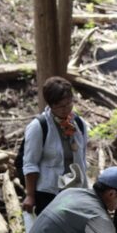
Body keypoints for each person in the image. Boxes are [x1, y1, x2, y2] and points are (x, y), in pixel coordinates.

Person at [22, 76, 90, 215]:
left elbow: (82, 158)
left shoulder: (79, 124)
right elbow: (30, 163)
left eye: (69, 104)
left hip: (74, 190)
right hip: (49, 192)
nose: (66, 109)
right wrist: (30, 195)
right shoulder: (39, 126)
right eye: (60, 106)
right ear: (51, 104)